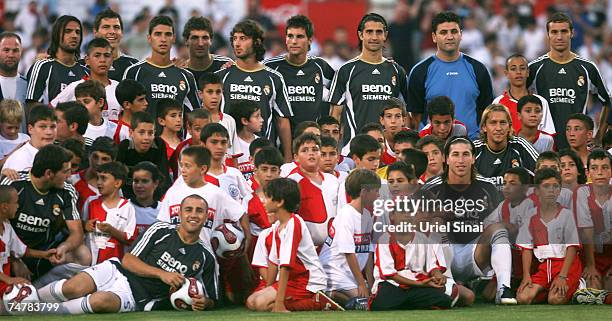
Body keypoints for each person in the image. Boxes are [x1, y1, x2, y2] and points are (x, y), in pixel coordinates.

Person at [37, 194, 218, 313]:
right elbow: (128, 260)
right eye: (188, 209)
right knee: (73, 288)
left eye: (199, 211)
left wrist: (204, 303)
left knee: (100, 301)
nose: (193, 215)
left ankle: (39, 311)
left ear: (206, 216)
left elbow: (213, 298)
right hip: (117, 270)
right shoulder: (160, 229)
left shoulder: (206, 257)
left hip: (138, 296)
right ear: (179, 213)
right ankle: (29, 299)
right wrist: (162, 274)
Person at [421, 137, 516, 304]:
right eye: (455, 154)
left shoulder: (487, 187)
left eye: (466, 154)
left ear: (473, 158)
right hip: (443, 255)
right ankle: (448, 282)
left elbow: (502, 220)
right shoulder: (431, 187)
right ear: (446, 159)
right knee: (435, 222)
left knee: (498, 228)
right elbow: (418, 225)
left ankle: (503, 289)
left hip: (475, 253)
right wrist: (435, 216)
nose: (460, 160)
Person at [246, 178, 342, 312]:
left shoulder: (294, 223)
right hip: (294, 280)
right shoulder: (277, 227)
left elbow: (286, 265)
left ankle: (318, 302)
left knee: (263, 304)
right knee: (252, 302)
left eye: (268, 197)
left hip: (307, 281)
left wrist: (279, 302)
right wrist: (269, 289)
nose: (264, 201)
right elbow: (273, 263)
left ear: (279, 202)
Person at [1, 144, 89, 285]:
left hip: (44, 250)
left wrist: (63, 248)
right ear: (49, 173)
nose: (69, 176)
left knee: (82, 254)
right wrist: (14, 259)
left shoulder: (67, 191)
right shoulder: (14, 183)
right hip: (9, 250)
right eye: (65, 171)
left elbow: (76, 233)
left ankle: (42, 294)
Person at [527, 12, 610, 148]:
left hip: (578, 146)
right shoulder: (535, 68)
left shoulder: (587, 67)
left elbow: (608, 101)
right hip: (545, 146)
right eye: (554, 32)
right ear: (548, 35)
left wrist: (599, 136)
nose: (559, 37)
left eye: (564, 31)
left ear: (572, 33)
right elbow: (516, 101)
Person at [215, 20, 293, 162]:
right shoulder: (222, 75)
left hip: (263, 156)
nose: (237, 43)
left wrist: (288, 160)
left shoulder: (273, 78)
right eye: (234, 39)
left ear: (256, 42)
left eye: (243, 38)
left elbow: (282, 121)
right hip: (228, 154)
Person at [407, 11, 492, 140]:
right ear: (434, 37)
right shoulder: (420, 71)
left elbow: (486, 111)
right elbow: (416, 117)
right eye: (443, 32)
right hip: (433, 147)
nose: (450, 36)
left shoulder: (478, 69)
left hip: (471, 145)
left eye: (454, 31)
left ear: (461, 35)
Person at [329, 13, 408, 150]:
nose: (374, 37)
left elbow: (409, 111)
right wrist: (332, 149)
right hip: (354, 151)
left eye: (379, 32)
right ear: (361, 35)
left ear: (385, 35)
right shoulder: (346, 70)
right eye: (369, 32)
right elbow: (335, 114)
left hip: (388, 152)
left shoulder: (397, 70)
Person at [370, 209, 474, 310]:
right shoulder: (385, 239)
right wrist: (419, 284)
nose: (407, 215)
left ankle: (405, 303)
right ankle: (410, 303)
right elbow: (390, 275)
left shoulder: (422, 239)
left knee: (444, 300)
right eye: (402, 212)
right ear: (392, 216)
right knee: (380, 304)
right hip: (392, 285)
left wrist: (438, 275)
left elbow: (432, 266)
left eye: (410, 212)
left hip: (417, 286)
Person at [516, 168, 582, 305]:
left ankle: (578, 286)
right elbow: (526, 249)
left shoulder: (567, 215)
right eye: (546, 186)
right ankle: (548, 290)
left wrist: (563, 276)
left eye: (555, 186)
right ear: (537, 191)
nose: (551, 190)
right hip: (545, 267)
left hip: (566, 266)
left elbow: (572, 248)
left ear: (559, 190)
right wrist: (526, 275)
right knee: (523, 298)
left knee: (555, 300)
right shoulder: (530, 216)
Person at [319, 169, 380, 307]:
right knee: (363, 304)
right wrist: (360, 284)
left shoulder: (367, 215)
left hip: (350, 274)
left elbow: (368, 253)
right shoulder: (346, 214)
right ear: (364, 192)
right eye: (375, 191)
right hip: (334, 272)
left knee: (373, 299)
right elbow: (348, 252)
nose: (378, 195)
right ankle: (330, 293)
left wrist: (371, 285)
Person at [122, 15, 200, 120]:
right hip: (144, 136)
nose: (163, 39)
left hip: (175, 136)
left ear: (174, 38)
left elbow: (196, 115)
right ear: (149, 38)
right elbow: (124, 112)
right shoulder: (134, 72)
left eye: (168, 34)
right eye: (158, 34)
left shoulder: (186, 75)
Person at [263, 15, 335, 126]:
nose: (294, 41)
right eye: (290, 36)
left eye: (300, 36)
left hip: (312, 138)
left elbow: (340, 91)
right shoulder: (271, 66)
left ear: (310, 40)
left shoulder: (320, 66)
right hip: (279, 139)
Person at [0, 185, 56, 305]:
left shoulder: (7, 227)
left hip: (5, 288)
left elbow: (22, 250)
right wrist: (9, 279)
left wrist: (45, 255)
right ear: (4, 207)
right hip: (6, 285)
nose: (18, 206)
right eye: (16, 203)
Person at [286, 133, 339, 247]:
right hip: (305, 248)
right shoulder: (292, 182)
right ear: (296, 157)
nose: (311, 153)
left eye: (315, 149)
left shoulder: (333, 180)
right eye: (305, 150)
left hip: (333, 248)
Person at [52, 37, 121, 121]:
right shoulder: (74, 87)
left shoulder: (119, 88)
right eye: (97, 55)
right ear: (87, 60)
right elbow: (51, 110)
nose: (102, 60)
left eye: (107, 56)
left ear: (112, 60)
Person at [26, 15, 87, 107]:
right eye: (68, 31)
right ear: (56, 35)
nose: (74, 35)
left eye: (78, 32)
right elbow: (32, 108)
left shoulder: (86, 72)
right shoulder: (42, 67)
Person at [82, 161, 136, 265]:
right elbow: (79, 225)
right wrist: (85, 225)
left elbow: (130, 239)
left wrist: (111, 231)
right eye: (98, 178)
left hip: (114, 264)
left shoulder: (127, 207)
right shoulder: (90, 202)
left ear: (117, 183)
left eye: (103, 178)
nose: (98, 182)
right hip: (90, 261)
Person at [474, 104, 539, 186]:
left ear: (509, 126)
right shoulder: (474, 150)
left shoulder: (520, 145)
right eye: (493, 123)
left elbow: (544, 172)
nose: (498, 128)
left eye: (503, 123)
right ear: (484, 127)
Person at [575, 149, 612, 290]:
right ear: (587, 173)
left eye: (605, 168)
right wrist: (590, 266)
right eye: (594, 168)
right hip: (590, 257)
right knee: (593, 290)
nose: (600, 172)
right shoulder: (582, 193)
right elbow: (587, 230)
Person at [492, 54, 554, 134]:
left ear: (528, 72)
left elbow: (549, 135)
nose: (518, 72)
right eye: (513, 69)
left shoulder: (541, 102)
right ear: (506, 73)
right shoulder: (498, 103)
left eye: (522, 68)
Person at [116, 111, 172, 198]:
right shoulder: (125, 147)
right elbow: (118, 179)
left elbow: (164, 177)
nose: (146, 137)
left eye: (150, 133)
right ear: (131, 132)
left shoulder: (158, 144)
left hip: (153, 197)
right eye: (141, 133)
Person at [242, 146, 283, 258]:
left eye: (273, 170)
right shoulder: (248, 200)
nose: (269, 174)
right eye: (264, 169)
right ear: (255, 171)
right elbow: (245, 236)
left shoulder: (287, 197)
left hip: (283, 251)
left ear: (280, 171)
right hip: (255, 253)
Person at [201, 123, 252, 202]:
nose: (219, 147)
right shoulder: (196, 176)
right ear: (203, 145)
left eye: (223, 142)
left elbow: (250, 200)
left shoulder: (235, 174)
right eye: (214, 142)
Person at [3, 104, 56, 173]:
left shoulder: (58, 153)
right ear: (30, 129)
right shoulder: (20, 160)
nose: (49, 132)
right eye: (42, 127)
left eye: (53, 127)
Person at [90, 8, 138, 81]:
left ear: (122, 33)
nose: (112, 31)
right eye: (106, 27)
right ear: (95, 32)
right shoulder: (83, 65)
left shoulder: (134, 66)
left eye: (116, 27)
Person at [70, 136, 116, 211]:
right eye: (95, 157)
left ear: (113, 162)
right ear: (89, 155)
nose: (98, 163)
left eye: (104, 159)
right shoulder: (72, 181)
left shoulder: (115, 187)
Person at [182, 16, 233, 82]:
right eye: (195, 38)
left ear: (211, 40)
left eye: (205, 38)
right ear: (186, 41)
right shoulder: (181, 72)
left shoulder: (225, 65)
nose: (200, 43)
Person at [198, 73, 239, 155]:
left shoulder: (229, 120)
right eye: (210, 92)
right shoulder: (194, 119)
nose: (214, 96)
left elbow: (234, 154)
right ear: (200, 94)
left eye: (218, 92)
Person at [128, 161, 162, 251]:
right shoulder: (124, 207)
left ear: (156, 183)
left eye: (144, 181)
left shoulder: (163, 211)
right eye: (136, 181)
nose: (139, 185)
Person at [74, 80, 118, 147]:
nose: (81, 106)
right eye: (78, 102)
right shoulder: (73, 129)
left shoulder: (116, 130)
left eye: (86, 101)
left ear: (100, 102)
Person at [0, 32, 27, 107]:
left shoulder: (29, 85)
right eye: (6, 50)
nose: (11, 55)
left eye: (15, 50)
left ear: (21, 52)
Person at [378, 98, 408, 165]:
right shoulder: (377, 140)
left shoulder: (413, 138)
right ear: (382, 120)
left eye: (397, 116)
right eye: (389, 116)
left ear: (403, 120)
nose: (393, 121)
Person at [0, 100, 29, 165]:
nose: (13, 131)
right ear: (1, 123)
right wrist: (17, 150)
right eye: (9, 128)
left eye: (17, 127)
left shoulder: (26, 138)